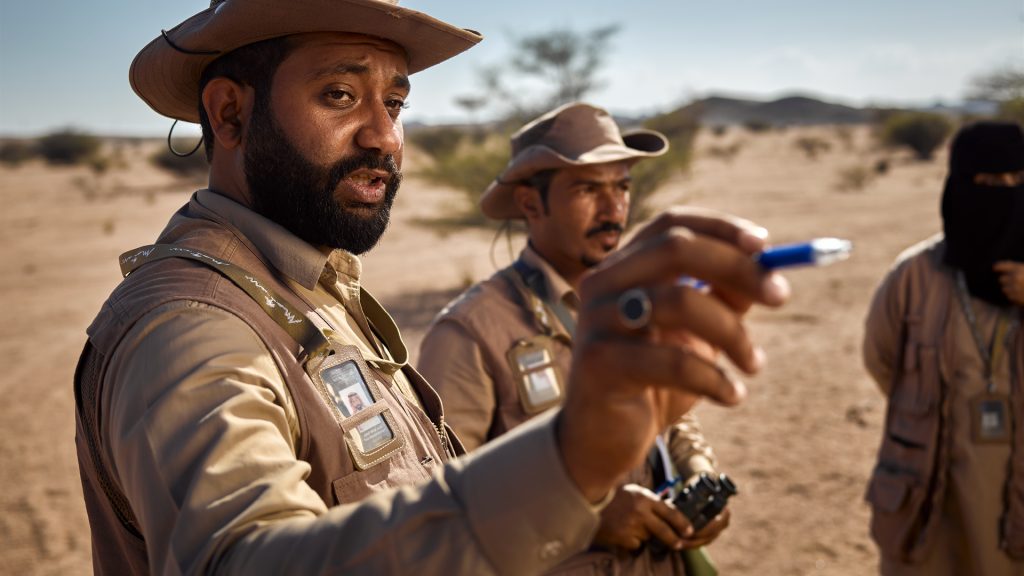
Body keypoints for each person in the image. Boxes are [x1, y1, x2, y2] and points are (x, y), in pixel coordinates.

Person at [73, 1, 791, 574]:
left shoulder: (310, 290)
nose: (384, 135)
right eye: (339, 94)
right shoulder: (190, 327)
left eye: (396, 102)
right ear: (229, 113)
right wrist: (569, 470)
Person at [418, 102, 728, 575]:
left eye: (621, 187)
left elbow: (672, 418)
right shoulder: (470, 332)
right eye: (588, 189)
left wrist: (699, 476)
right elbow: (442, 502)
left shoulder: (635, 302)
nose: (613, 209)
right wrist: (586, 517)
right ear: (530, 204)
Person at [863, 121, 1024, 575]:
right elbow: (882, 362)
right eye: (990, 183)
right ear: (959, 186)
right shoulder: (914, 277)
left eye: (1019, 180)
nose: (1007, 195)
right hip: (931, 502)